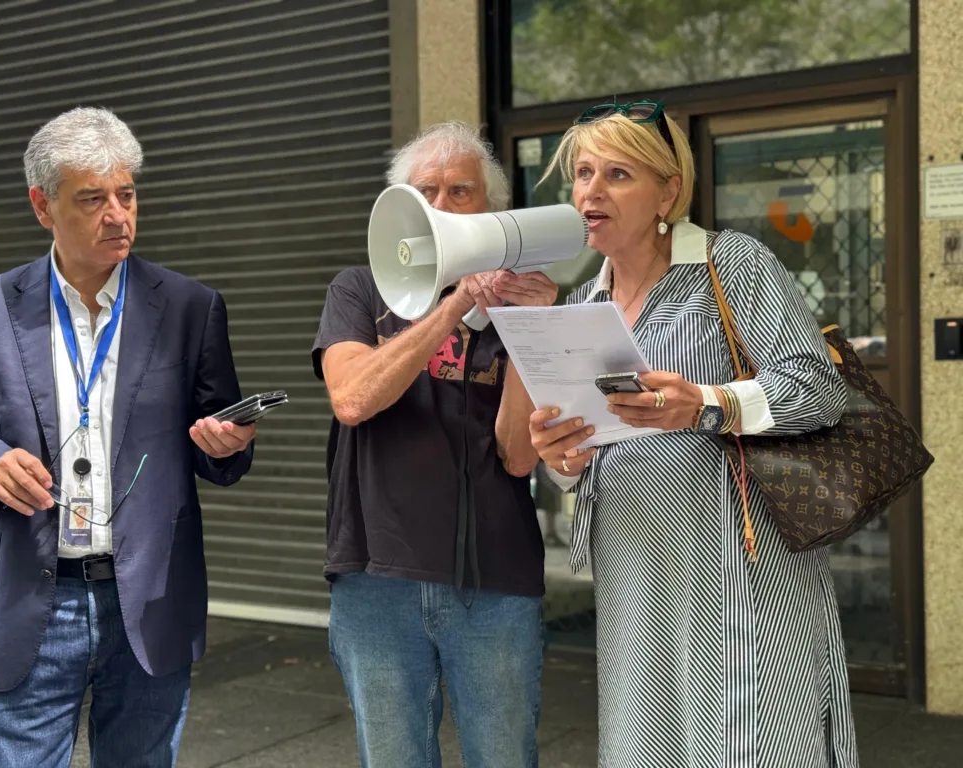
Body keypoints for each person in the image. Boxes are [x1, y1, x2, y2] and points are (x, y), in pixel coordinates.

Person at [527, 101, 860, 767]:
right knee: (651, 740)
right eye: (583, 172)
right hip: (635, 564)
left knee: (752, 738)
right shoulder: (580, 308)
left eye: (617, 173)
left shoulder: (729, 264)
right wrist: (559, 457)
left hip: (738, 562)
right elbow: (580, 455)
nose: (590, 190)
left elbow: (821, 388)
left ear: (668, 191)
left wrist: (708, 403)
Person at [0, 107, 255, 767]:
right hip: (32, 596)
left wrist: (227, 444)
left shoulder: (191, 308)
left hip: (147, 601)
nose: (118, 214)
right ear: (42, 205)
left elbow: (218, 434)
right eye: (92, 199)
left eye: (127, 194)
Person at [312, 120, 556, 767]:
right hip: (376, 577)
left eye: (461, 192)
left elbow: (519, 454)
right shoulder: (358, 290)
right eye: (428, 192)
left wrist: (531, 331)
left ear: (492, 211)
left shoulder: (518, 307)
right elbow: (354, 399)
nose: (443, 206)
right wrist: (446, 308)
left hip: (493, 580)